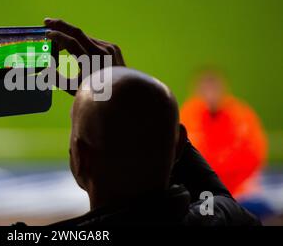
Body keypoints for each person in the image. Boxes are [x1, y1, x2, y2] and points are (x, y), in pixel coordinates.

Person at [35, 18, 260, 225]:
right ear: (178, 145)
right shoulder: (223, 220)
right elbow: (219, 199)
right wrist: (121, 87)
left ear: (80, 158)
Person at [181, 69, 267, 197]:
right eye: (206, 90)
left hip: (239, 190)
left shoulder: (240, 115)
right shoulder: (188, 116)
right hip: (203, 188)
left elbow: (254, 153)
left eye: (213, 90)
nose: (210, 96)